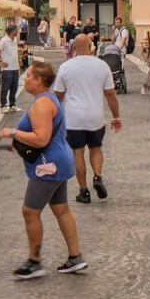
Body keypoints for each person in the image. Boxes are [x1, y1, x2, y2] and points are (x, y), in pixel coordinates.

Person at [0, 59, 87, 279]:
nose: (25, 79)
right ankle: (75, 257)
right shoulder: (48, 99)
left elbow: (41, 138)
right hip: (58, 161)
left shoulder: (43, 104)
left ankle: (34, 261)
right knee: (61, 209)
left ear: (38, 80)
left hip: (48, 166)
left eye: (28, 76)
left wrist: (12, 132)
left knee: (30, 212)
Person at [53, 33, 121, 204]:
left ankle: (83, 191)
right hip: (95, 116)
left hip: (74, 118)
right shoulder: (102, 65)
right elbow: (110, 94)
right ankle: (97, 176)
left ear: (74, 48)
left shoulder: (66, 67)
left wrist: (54, 118)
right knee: (96, 148)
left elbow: (58, 95)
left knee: (78, 152)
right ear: (91, 47)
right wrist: (116, 116)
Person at [0, 24, 21, 112]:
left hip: (15, 68)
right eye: (16, 30)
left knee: (14, 88)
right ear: (13, 31)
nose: (18, 31)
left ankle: (12, 104)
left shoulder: (14, 39)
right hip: (7, 69)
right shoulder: (4, 40)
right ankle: (3, 105)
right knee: (5, 88)